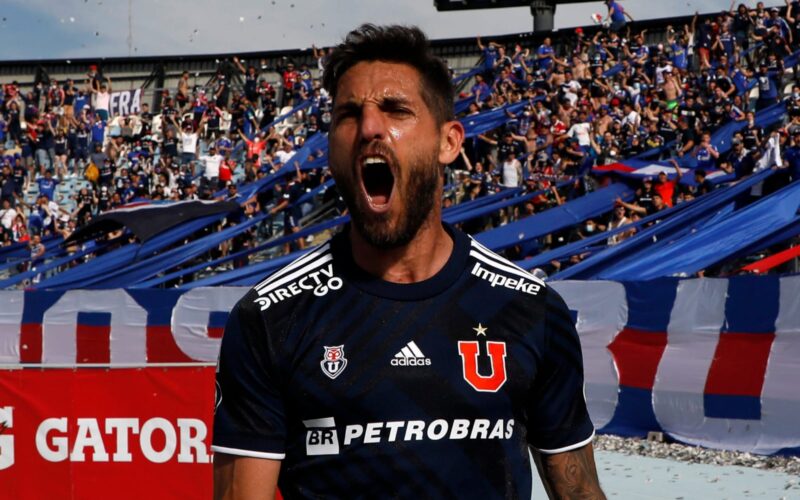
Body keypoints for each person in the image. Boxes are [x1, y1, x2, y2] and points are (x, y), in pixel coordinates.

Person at [213, 24, 602, 499]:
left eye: (396, 110)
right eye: (348, 114)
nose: (370, 128)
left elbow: (580, 492)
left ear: (449, 142)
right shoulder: (270, 319)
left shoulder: (531, 309)